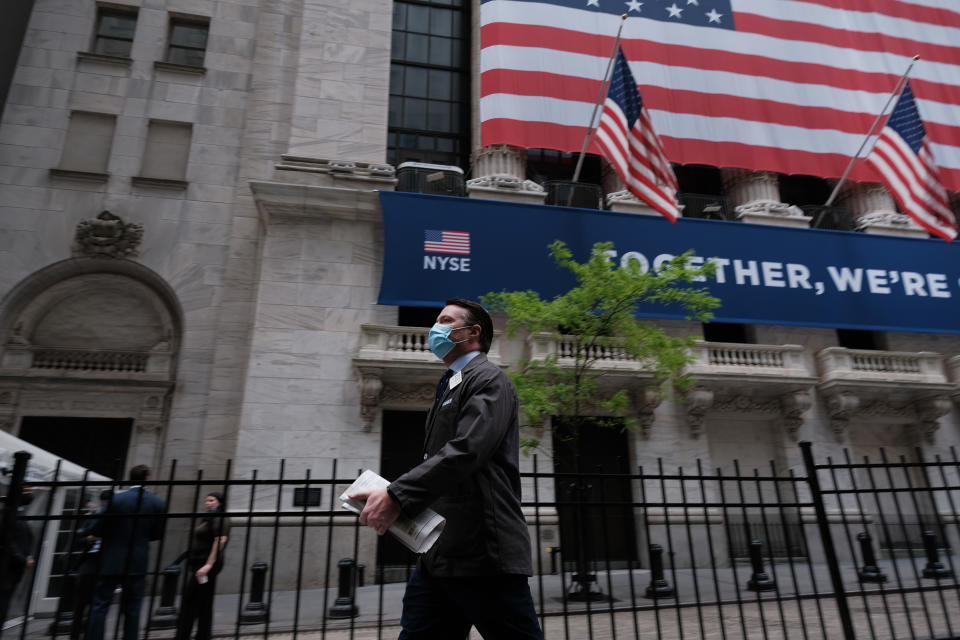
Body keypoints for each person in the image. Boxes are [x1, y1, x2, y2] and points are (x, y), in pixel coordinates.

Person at [351, 298, 544, 640]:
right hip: (439, 553)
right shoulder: (451, 383)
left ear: (472, 332)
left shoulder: (489, 378)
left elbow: (467, 450)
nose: (434, 329)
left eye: (444, 321)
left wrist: (397, 495)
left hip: (483, 555)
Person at [86, 465, 166, 640]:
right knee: (133, 607)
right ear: (148, 479)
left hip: (111, 558)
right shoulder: (157, 503)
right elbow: (157, 534)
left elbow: (95, 528)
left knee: (100, 605)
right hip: (137, 560)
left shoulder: (116, 500)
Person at [175, 492, 229, 640]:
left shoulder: (219, 518)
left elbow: (221, 540)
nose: (207, 503)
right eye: (206, 501)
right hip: (200, 564)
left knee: (190, 598)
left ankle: (184, 634)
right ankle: (202, 635)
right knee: (203, 599)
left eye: (211, 500)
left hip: (205, 567)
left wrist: (208, 565)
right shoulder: (209, 518)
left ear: (220, 503)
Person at [70, 490, 112, 640]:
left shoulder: (116, 521)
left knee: (99, 605)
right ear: (102, 503)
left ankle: (91, 633)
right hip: (90, 561)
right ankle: (75, 634)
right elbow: (78, 540)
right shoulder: (92, 518)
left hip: (106, 562)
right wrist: (91, 538)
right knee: (81, 603)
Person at [0, 484, 35, 626]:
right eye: (26, 491)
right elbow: (6, 539)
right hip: (6, 567)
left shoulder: (20, 513)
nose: (29, 494)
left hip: (13, 569)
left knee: (4, 604)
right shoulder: (8, 513)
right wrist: (22, 559)